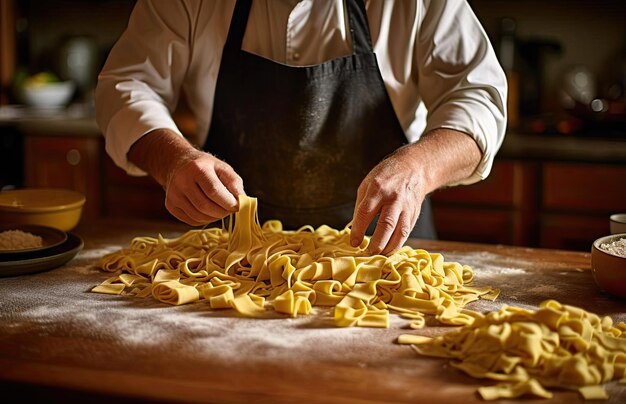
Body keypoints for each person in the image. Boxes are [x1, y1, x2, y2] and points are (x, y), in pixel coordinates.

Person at [95, 0, 507, 256]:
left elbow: (478, 98)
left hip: (385, 257)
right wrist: (172, 159)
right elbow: (127, 85)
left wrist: (420, 167)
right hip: (231, 260)